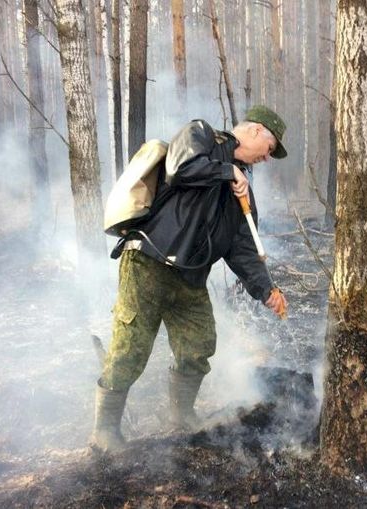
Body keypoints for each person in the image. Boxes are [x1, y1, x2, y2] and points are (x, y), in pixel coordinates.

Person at [90, 105, 289, 452]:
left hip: (191, 278)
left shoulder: (242, 190)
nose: (267, 158)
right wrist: (226, 171)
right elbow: (180, 169)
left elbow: (243, 246)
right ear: (256, 131)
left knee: (199, 345)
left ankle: (181, 416)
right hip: (149, 261)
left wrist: (266, 290)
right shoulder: (201, 134)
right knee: (130, 348)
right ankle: (104, 432)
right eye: (269, 149)